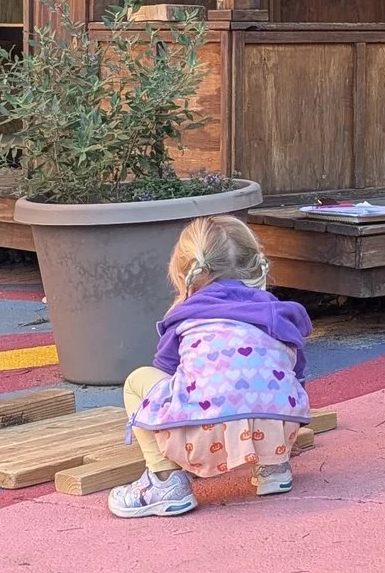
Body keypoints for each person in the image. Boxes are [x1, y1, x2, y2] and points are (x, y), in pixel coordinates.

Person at [109, 215, 313, 518]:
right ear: (256, 265)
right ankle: (274, 468)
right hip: (277, 427)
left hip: (203, 437)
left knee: (138, 381)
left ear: (186, 270)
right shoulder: (278, 313)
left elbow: (166, 375)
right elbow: (296, 374)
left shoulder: (185, 317)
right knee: (273, 385)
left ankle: (164, 481)